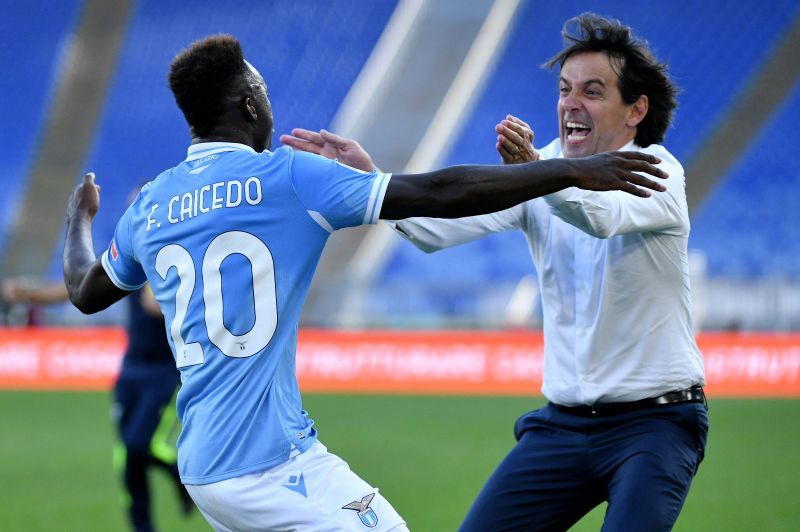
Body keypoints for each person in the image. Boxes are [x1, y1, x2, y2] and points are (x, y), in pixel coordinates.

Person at [61, 34, 667, 532]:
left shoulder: (153, 204)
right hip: (269, 463)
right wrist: (572, 168)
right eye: (263, 93)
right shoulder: (290, 177)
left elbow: (86, 290)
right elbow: (437, 193)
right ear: (249, 105)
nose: (268, 105)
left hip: (203, 468)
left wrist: (78, 221)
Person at [281, 13, 708, 531]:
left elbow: (600, 215)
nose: (572, 103)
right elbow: (435, 231)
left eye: (593, 91)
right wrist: (371, 184)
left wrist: (539, 172)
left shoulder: (657, 169)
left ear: (636, 109)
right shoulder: (543, 166)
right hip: (563, 428)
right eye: (565, 89)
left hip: (654, 426)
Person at [1, 277, 192, 532]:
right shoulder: (134, 248)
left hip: (164, 373)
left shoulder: (177, 257)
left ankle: (181, 477)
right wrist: (31, 293)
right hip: (130, 370)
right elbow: (85, 284)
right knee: (127, 457)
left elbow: (158, 306)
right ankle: (143, 526)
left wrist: (160, 296)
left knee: (137, 446)